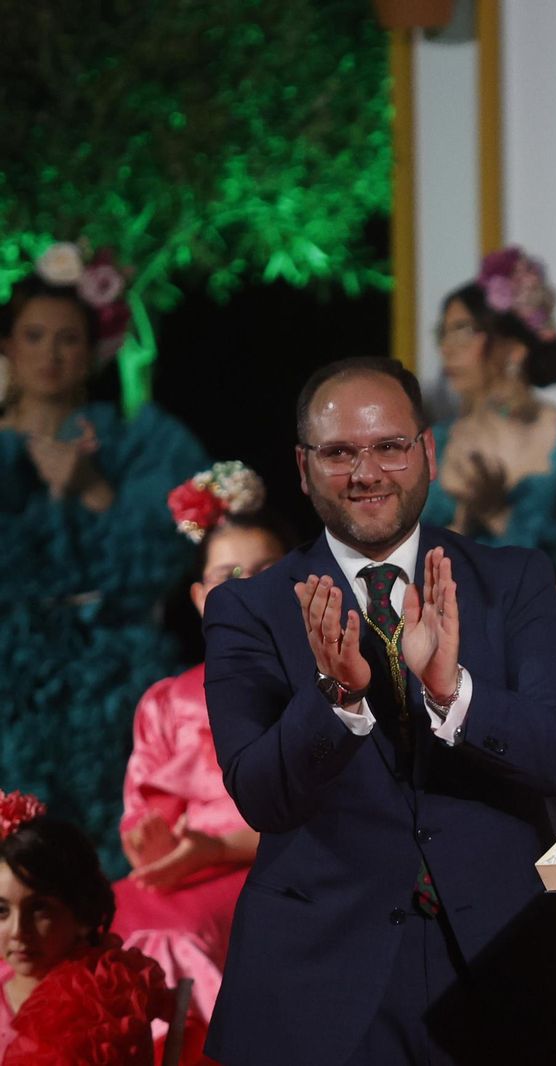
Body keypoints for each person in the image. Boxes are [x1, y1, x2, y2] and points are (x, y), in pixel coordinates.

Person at [201, 357, 556, 1063]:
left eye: (389, 446)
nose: (367, 473)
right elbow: (261, 796)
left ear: (427, 452)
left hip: (510, 969)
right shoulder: (248, 609)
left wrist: (454, 694)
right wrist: (336, 698)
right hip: (322, 981)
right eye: (339, 453)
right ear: (303, 467)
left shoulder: (514, 579)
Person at [0, 244, 209, 867]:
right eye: (34, 336)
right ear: (8, 345)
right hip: (9, 669)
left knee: (111, 843)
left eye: (68, 338)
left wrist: (91, 487)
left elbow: (171, 551)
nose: (51, 353)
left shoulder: (136, 440)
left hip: (110, 668)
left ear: (92, 350)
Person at [111, 462, 291, 1056]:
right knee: (95, 924)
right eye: (228, 576)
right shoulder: (168, 701)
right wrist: (153, 844)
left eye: (267, 572)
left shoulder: (326, 690)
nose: (248, 590)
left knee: (175, 934)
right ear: (199, 597)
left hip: (276, 869)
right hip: (188, 871)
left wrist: (219, 848)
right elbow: (145, 815)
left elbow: (339, 818)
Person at [420, 247, 556, 603]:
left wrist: (498, 515)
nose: (447, 349)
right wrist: (466, 518)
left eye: (462, 331)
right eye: (443, 333)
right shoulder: (439, 442)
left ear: (514, 347)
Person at [0, 792, 173, 1064]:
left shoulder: (112, 1000)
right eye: (2, 911)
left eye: (39, 909)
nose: (18, 930)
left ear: (82, 914)